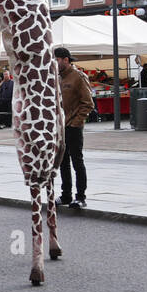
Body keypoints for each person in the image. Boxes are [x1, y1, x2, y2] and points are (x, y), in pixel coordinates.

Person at [54, 48, 93, 208]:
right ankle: (66, 195)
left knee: (77, 160)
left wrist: (76, 122)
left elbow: (88, 103)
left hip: (74, 126)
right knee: (63, 161)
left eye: (56, 60)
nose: (54, 63)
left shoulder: (78, 77)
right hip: (61, 127)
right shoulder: (57, 78)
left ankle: (81, 197)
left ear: (66, 60)